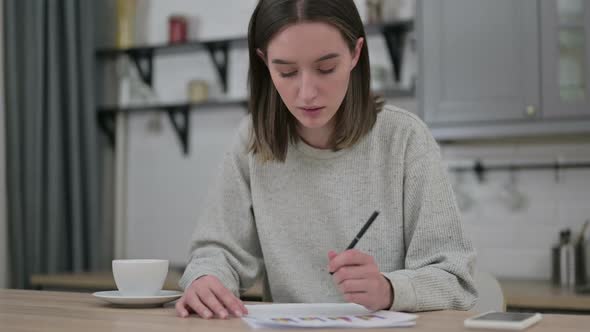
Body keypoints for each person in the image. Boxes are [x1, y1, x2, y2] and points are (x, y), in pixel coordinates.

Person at [176, 0, 477, 319]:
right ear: (265, 63)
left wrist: (389, 289)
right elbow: (216, 253)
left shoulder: (405, 139)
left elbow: (456, 282)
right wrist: (206, 278)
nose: (307, 93)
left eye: (326, 68)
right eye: (287, 71)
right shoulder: (253, 140)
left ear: (355, 54)